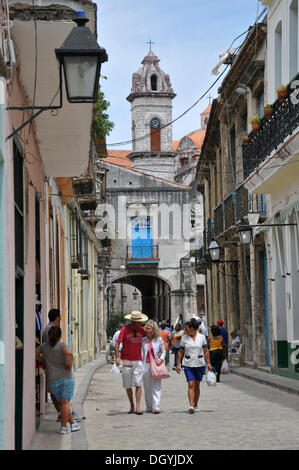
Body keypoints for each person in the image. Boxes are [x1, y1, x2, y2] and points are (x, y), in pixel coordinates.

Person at [36, 326, 80, 434]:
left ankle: (73, 424)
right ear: (60, 335)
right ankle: (63, 427)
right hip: (66, 378)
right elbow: (69, 353)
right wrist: (69, 364)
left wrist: (43, 361)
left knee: (63, 403)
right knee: (65, 403)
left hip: (52, 380)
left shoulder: (44, 347)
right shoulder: (61, 345)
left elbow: (35, 353)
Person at [42, 309, 81, 424]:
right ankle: (63, 415)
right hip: (56, 368)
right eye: (60, 316)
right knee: (58, 394)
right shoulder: (51, 330)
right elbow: (56, 350)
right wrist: (68, 363)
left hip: (52, 367)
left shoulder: (48, 329)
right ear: (57, 317)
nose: (61, 318)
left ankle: (64, 414)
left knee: (56, 393)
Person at [176, 318, 213, 413]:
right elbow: (180, 351)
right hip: (188, 364)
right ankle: (191, 405)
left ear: (192, 328)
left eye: (186, 328)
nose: (185, 330)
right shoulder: (184, 338)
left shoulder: (201, 337)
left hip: (199, 363)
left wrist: (208, 363)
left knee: (197, 385)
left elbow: (205, 351)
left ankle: (196, 404)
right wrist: (178, 364)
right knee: (191, 384)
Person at [115, 311, 148, 415]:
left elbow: (151, 336)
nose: (140, 323)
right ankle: (132, 405)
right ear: (133, 321)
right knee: (127, 384)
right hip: (126, 361)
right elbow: (117, 342)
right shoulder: (124, 329)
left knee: (138, 383)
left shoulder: (142, 330)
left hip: (138, 361)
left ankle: (138, 407)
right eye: (138, 321)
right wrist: (117, 357)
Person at [141, 320, 166, 414]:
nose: (146, 330)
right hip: (145, 365)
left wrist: (161, 359)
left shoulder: (158, 340)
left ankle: (156, 406)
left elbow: (163, 351)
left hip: (156, 364)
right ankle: (149, 406)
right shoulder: (143, 340)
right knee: (147, 387)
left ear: (153, 330)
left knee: (156, 385)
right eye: (146, 328)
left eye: (148, 328)